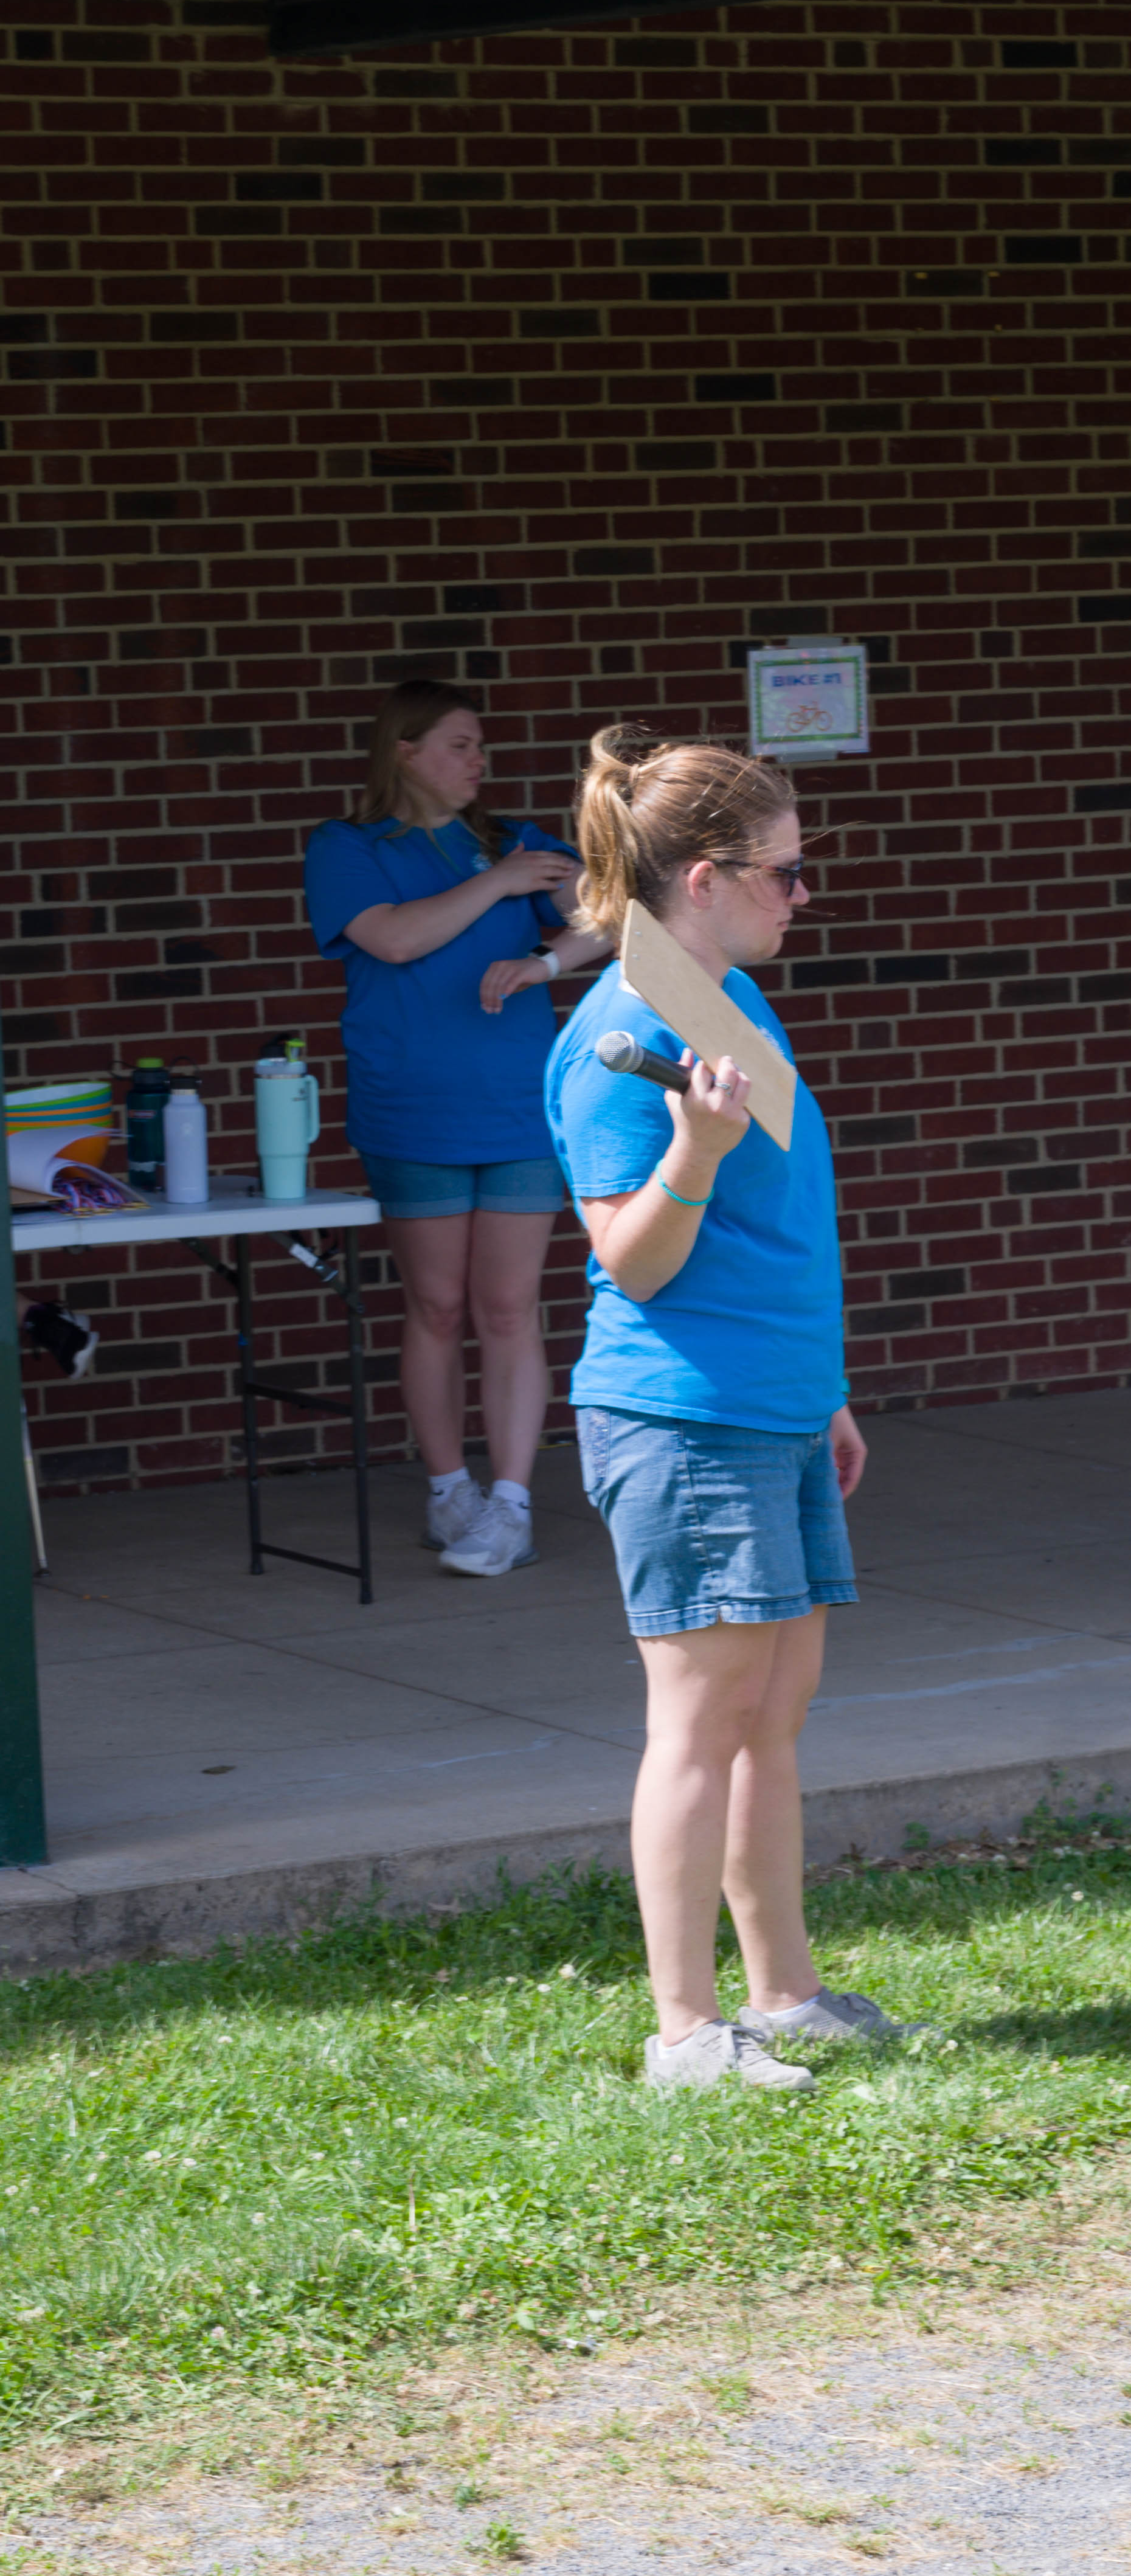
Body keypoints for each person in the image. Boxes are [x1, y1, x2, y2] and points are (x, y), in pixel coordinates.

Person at [545, 725, 899, 2093]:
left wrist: (826, 1396)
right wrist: (689, 1146)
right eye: (785, 873)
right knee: (699, 1723)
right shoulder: (617, 1043)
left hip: (776, 1408)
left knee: (774, 1714)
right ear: (702, 879)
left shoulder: (724, 1005)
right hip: (681, 1422)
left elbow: (776, 1232)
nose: (801, 895)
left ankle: (785, 1995)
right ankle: (686, 2033)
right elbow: (631, 1257)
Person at [304, 680, 614, 1579]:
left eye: (480, 746)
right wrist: (503, 883)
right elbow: (395, 940)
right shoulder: (350, 845)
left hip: (519, 1102)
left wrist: (546, 959)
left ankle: (511, 1501)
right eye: (459, 744)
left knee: (509, 1307)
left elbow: (609, 917)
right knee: (437, 1307)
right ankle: (450, 1490)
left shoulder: (517, 841)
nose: (479, 761)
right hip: (412, 1103)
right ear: (405, 750)